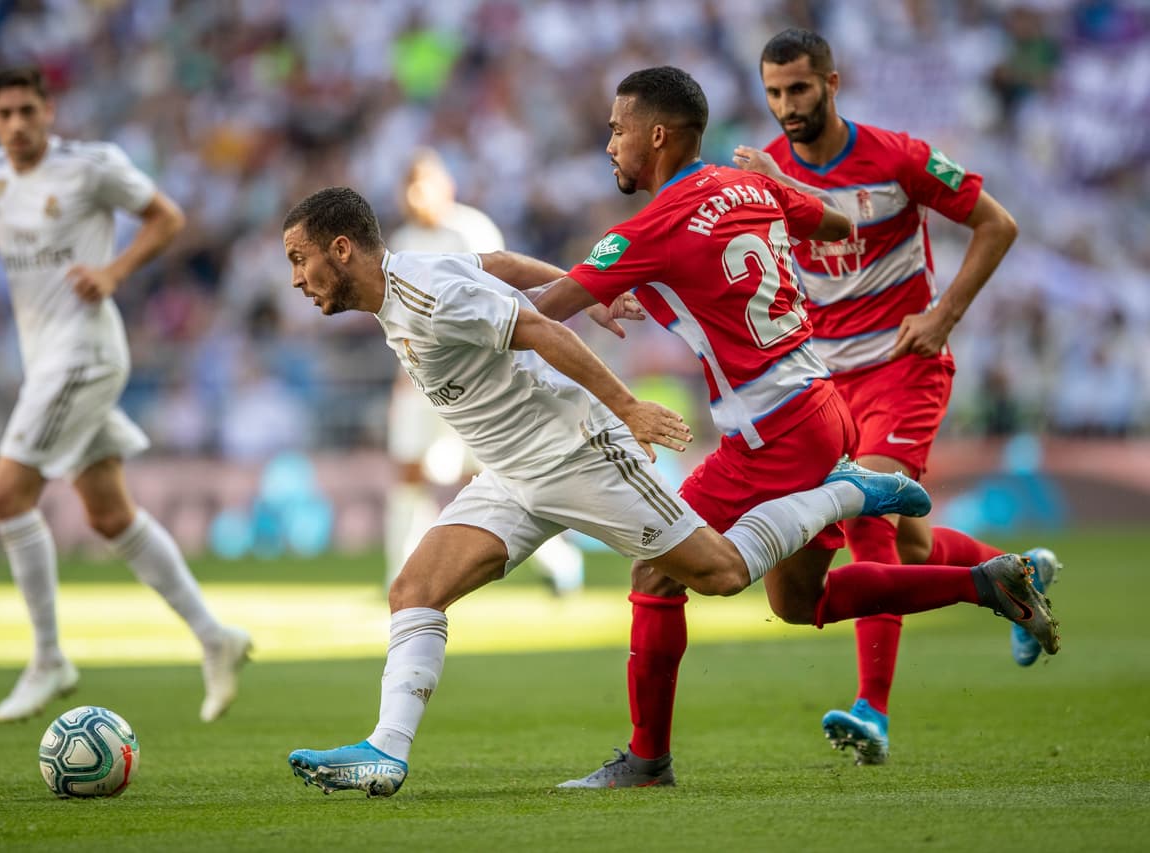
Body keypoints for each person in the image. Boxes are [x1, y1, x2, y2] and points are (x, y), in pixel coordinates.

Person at [279, 186, 956, 798]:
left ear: (342, 249)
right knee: (414, 590)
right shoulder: (407, 285)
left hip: (578, 454)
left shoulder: (425, 293)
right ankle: (385, 751)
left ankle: (845, 493)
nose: (296, 278)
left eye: (300, 258)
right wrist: (591, 290)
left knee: (718, 573)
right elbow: (503, 264)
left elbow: (540, 328)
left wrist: (627, 407)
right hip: (512, 476)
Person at [503, 66, 1058, 789]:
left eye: (617, 129)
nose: (609, 144)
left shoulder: (651, 226)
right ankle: (983, 582)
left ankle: (647, 760)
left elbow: (543, 308)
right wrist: (779, 183)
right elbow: (836, 223)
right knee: (798, 603)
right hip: (822, 408)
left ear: (658, 135)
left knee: (656, 567)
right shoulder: (748, 183)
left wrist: (447, 309)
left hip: (772, 435)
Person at [731, 27, 1058, 765]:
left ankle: (871, 708)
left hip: (903, 365)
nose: (788, 106)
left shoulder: (898, 156)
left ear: (832, 83)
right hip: (823, 385)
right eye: (775, 93)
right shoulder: (768, 173)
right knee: (909, 546)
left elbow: (996, 224)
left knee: (864, 508)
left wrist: (942, 316)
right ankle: (1013, 574)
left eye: (801, 89)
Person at [0, 68, 251, 724]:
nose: (18, 124)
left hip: (86, 355)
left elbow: (168, 217)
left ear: (49, 110)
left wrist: (114, 271)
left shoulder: (91, 167)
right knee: (109, 514)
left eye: (28, 109)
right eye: (5, 113)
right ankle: (215, 636)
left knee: (5, 496)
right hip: (43, 360)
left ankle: (48, 657)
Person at [384, 148, 584, 597]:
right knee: (410, 472)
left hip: (475, 378)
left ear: (445, 186)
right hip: (422, 379)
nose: (414, 195)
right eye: (408, 185)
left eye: (423, 183)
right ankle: (396, 573)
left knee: (497, 475)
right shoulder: (400, 241)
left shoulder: (469, 231)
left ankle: (560, 561)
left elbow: (498, 296)